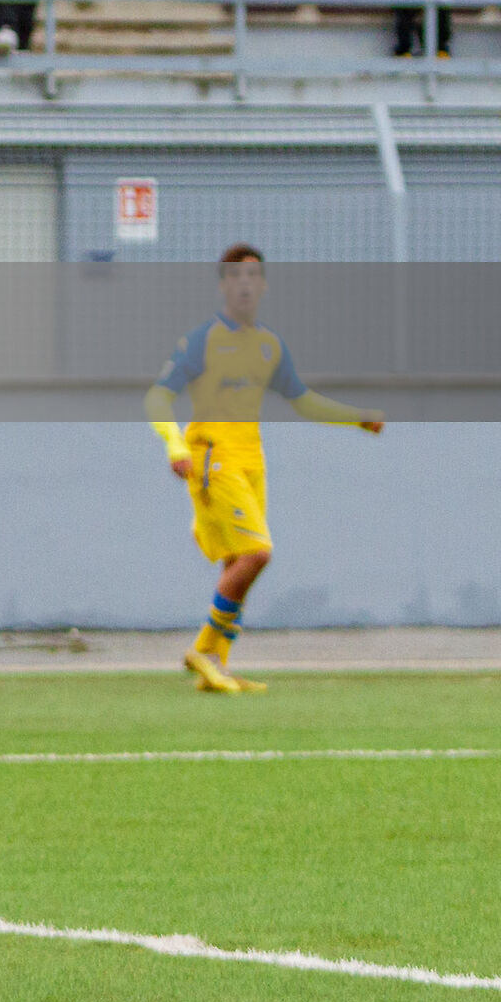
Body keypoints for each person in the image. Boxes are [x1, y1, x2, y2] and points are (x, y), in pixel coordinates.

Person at [147, 246, 383, 695]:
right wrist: (174, 444)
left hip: (251, 460)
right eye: (236, 277)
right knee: (258, 553)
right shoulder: (201, 341)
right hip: (213, 459)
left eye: (253, 276)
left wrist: (357, 416)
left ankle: (217, 664)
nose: (245, 284)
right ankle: (201, 648)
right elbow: (160, 396)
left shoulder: (268, 345)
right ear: (223, 286)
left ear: (263, 285)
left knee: (240, 561)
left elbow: (303, 399)